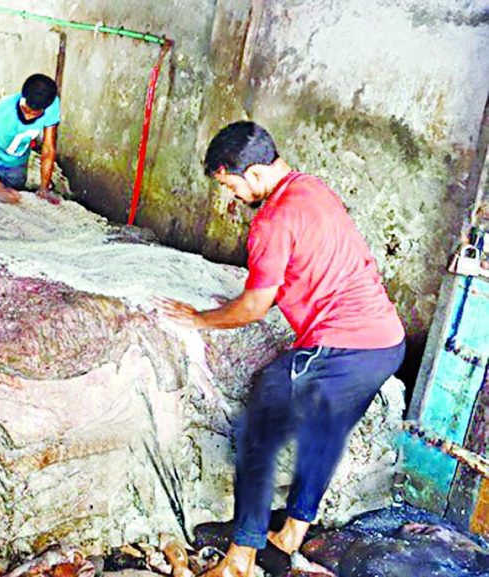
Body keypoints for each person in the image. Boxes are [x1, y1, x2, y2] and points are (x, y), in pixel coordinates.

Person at [156, 121, 405, 577]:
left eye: (230, 185)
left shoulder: (271, 220)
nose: (231, 196)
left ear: (251, 175)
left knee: (258, 427)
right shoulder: (312, 188)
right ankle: (291, 533)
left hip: (343, 347)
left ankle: (240, 557)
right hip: (386, 344)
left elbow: (252, 307)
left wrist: (198, 318)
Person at [0, 73, 62, 205]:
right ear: (23, 97)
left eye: (34, 115)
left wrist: (44, 187)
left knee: (13, 204)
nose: (28, 118)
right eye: (26, 111)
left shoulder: (51, 105)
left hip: (17, 165)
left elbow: (48, 148)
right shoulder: (5, 114)